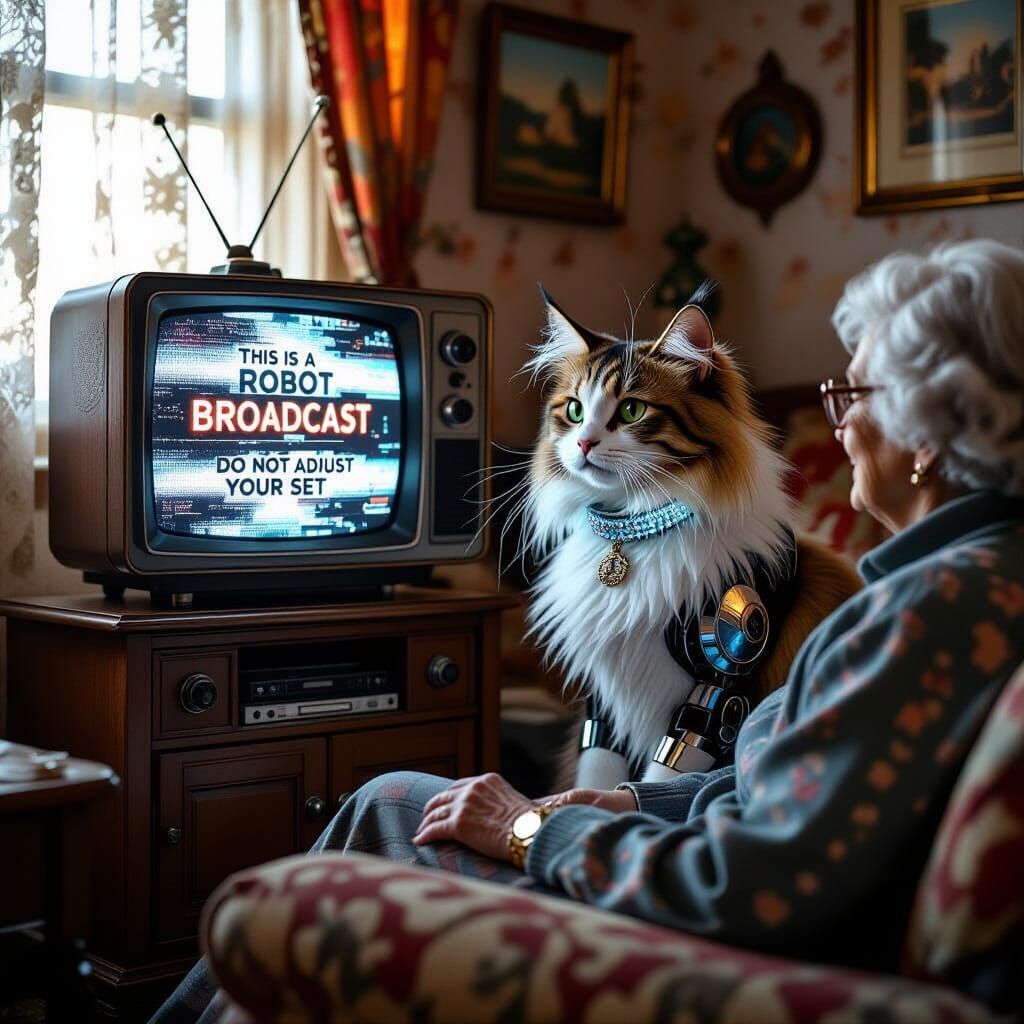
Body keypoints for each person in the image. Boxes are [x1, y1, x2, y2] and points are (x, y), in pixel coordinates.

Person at [153, 238, 1024, 1023]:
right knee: (397, 807)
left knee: (358, 835)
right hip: (712, 870)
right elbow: (799, 799)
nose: (836, 414)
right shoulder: (969, 583)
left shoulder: (924, 617)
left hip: (727, 954)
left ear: (925, 428)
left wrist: (530, 833)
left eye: (853, 389)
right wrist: (631, 800)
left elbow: (755, 881)